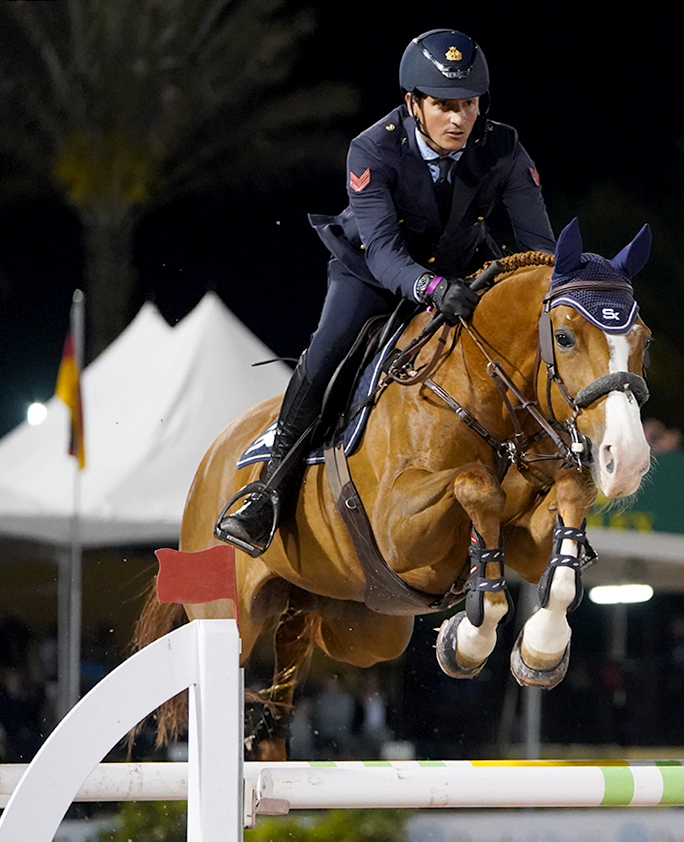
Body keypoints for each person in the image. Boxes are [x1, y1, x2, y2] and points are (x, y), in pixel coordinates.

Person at [216, 28, 556, 555]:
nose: (459, 119)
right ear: (413, 103)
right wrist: (432, 288)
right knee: (327, 350)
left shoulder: (503, 147)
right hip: (372, 273)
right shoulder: (372, 149)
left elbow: (540, 249)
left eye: (468, 104)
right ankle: (269, 491)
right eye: (443, 106)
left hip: (463, 266)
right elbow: (384, 252)